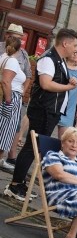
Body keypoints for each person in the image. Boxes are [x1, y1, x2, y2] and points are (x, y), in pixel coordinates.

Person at [5, 28, 77, 203]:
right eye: (74, 44)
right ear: (65, 43)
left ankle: (20, 182)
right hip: (43, 110)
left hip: (51, 110)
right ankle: (15, 184)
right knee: (32, 147)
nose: (76, 48)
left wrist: (69, 83)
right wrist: (68, 87)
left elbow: (57, 82)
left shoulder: (60, 60)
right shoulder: (49, 58)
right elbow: (46, 84)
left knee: (36, 148)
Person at [1, 24, 32, 171]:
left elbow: (28, 76)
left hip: (15, 95)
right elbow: (5, 80)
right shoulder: (5, 54)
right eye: (13, 36)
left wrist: (21, 93)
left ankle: (11, 156)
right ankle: (3, 157)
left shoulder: (23, 54)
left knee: (13, 127)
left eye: (19, 38)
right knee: (5, 128)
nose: (16, 40)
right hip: (7, 95)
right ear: (7, 35)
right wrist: (9, 99)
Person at [56, 49, 77, 139]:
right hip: (57, 104)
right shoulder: (61, 66)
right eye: (73, 52)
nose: (75, 55)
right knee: (44, 137)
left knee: (63, 139)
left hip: (70, 109)